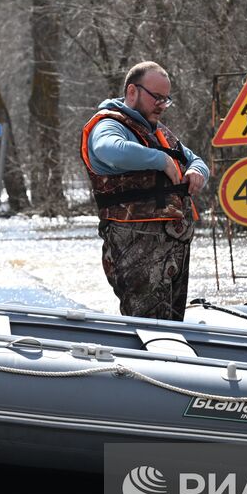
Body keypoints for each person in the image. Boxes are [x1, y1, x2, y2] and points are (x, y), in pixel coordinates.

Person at [81, 61, 208, 320]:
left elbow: (196, 160)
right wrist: (160, 160)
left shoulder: (159, 133)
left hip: (175, 243)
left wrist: (197, 171)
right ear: (132, 92)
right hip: (135, 244)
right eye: (156, 97)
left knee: (172, 326)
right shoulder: (108, 125)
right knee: (150, 329)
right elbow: (110, 150)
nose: (162, 105)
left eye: (166, 99)